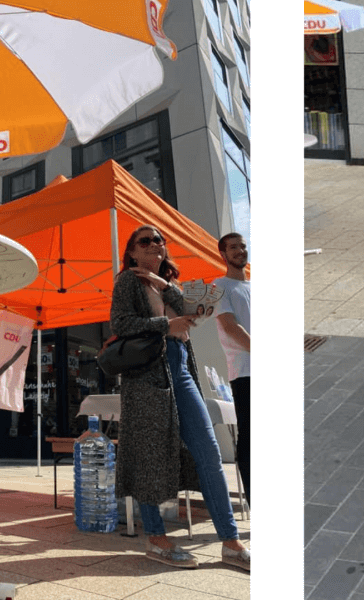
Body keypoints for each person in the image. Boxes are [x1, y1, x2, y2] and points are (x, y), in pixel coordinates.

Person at [110, 225, 250, 572]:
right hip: (146, 372)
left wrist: (162, 284)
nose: (155, 244)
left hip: (180, 368)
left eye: (159, 239)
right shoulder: (127, 281)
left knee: (209, 451)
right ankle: (156, 538)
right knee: (149, 454)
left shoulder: (169, 284)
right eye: (145, 241)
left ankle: (230, 542)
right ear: (132, 252)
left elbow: (201, 308)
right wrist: (164, 326)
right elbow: (120, 323)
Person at [212, 232, 250, 505]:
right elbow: (230, 327)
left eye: (243, 246)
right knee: (251, 441)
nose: (240, 250)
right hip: (246, 373)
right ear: (223, 255)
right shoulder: (218, 287)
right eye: (233, 247)